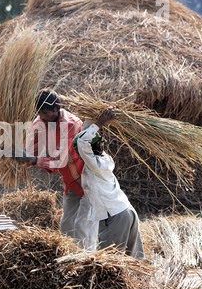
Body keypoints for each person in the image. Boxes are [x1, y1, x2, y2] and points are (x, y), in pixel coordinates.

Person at [15, 89, 94, 249]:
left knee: (82, 226)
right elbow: (30, 152)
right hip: (71, 181)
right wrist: (15, 156)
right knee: (66, 225)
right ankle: (70, 258)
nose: (42, 117)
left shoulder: (70, 124)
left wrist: (32, 159)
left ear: (57, 109)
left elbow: (60, 161)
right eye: (39, 113)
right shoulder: (39, 123)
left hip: (89, 179)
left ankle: (89, 260)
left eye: (45, 113)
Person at [74, 108, 144, 258]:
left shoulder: (95, 164)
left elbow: (82, 141)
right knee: (133, 261)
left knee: (110, 262)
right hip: (127, 212)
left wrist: (99, 123)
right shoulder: (104, 158)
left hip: (116, 216)